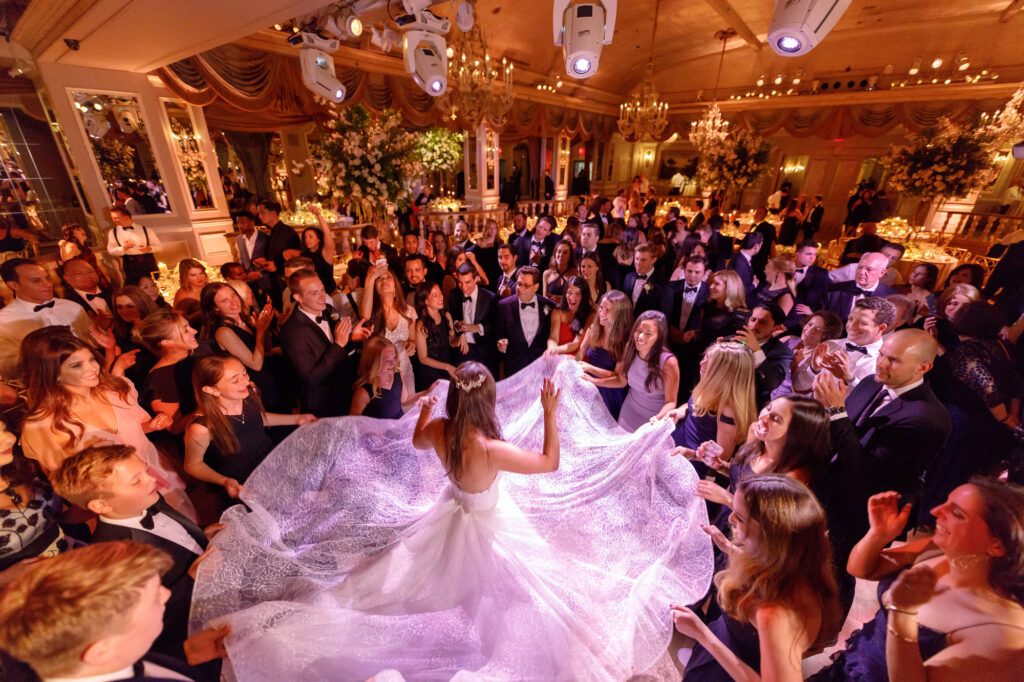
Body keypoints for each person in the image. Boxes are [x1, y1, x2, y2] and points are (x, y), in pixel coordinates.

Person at [812, 480, 1024, 681]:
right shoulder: (935, 549)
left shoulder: (1002, 631)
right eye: (946, 502)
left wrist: (903, 613)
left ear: (997, 546)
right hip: (849, 668)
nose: (935, 511)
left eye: (957, 513)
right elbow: (860, 569)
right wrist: (877, 536)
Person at [50, 445, 221, 676]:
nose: (152, 480)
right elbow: (144, 620)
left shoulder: (150, 499)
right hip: (196, 626)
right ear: (101, 505)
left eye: (146, 471)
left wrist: (199, 535)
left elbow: (170, 534)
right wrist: (192, 579)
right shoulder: (112, 557)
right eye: (136, 481)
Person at [674, 475, 843, 681]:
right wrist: (727, 548)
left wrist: (702, 634)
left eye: (740, 518)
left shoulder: (772, 612)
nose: (730, 520)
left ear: (771, 537)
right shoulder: (803, 566)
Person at [17, 328, 195, 520]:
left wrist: (153, 425)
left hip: (157, 476)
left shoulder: (117, 389)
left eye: (92, 359)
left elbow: (137, 427)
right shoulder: (42, 424)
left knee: (189, 526)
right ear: (53, 373)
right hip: (117, 503)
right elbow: (62, 480)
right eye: (77, 365)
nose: (93, 368)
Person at [812, 328, 952, 567]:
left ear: (923, 367)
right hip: (828, 496)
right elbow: (843, 434)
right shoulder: (870, 382)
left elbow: (865, 472)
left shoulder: (927, 418)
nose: (882, 364)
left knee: (834, 576)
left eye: (894, 360)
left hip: (859, 512)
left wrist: (836, 411)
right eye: (882, 355)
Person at [0, 540, 226, 682]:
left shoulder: (85, 654)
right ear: (102, 651)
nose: (167, 594)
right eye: (154, 598)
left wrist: (185, 654)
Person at [187, 356, 314, 505]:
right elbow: (192, 465)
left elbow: (255, 418)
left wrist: (297, 419)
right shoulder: (201, 427)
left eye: (244, 373)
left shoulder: (247, 393)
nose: (245, 382)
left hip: (269, 459)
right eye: (235, 380)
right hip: (244, 479)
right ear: (211, 390)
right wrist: (225, 481)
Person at [279, 268, 370, 417]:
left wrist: (352, 339)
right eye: (315, 293)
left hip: (344, 390)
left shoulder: (328, 310)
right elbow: (310, 379)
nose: (323, 297)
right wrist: (338, 345)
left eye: (322, 290)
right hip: (323, 405)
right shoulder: (292, 332)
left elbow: (339, 350)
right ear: (298, 297)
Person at [0, 422, 78, 572]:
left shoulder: (24, 466)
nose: (10, 439)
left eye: (4, 429)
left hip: (75, 560)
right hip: (32, 589)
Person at [666, 340, 756, 465]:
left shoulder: (728, 409)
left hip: (688, 462)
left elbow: (721, 457)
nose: (701, 363)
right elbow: (692, 406)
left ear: (725, 372)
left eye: (710, 363)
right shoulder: (710, 383)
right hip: (675, 442)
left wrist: (689, 454)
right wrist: (680, 411)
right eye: (705, 358)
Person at [584, 311, 678, 432]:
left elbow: (671, 402)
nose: (640, 337)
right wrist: (593, 380)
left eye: (648, 334)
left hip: (654, 418)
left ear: (659, 337)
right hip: (629, 411)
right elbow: (621, 380)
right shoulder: (630, 348)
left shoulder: (669, 362)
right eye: (638, 331)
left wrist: (657, 419)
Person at [0, 258, 92, 380]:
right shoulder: (4, 322)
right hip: (45, 388)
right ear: (14, 285)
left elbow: (91, 344)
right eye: (36, 280)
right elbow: (7, 371)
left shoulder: (72, 307)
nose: (48, 284)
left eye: (47, 278)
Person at [792, 297, 896, 394]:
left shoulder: (886, 361)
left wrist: (849, 378)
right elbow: (798, 387)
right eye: (850, 319)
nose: (851, 326)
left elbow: (873, 401)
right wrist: (814, 369)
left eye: (862, 323)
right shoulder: (829, 345)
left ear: (881, 327)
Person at [198, 283, 278, 409]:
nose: (234, 302)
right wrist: (260, 331)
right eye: (225, 301)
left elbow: (265, 352)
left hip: (270, 380)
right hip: (254, 388)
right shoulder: (224, 331)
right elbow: (255, 364)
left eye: (233, 295)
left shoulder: (245, 320)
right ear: (215, 308)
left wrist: (265, 329)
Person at [136, 310, 200, 436]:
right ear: (167, 343)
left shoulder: (196, 355)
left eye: (190, 327)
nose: (195, 331)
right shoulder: (160, 379)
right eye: (185, 330)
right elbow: (174, 427)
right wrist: (209, 408)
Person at [360, 263, 418, 392]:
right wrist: (369, 279)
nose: (384, 280)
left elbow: (413, 339)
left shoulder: (409, 312)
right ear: (375, 287)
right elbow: (364, 315)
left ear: (395, 284)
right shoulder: (370, 313)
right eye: (379, 278)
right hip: (380, 372)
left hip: (404, 368)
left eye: (388, 277)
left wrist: (411, 345)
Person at [577, 290, 632, 421]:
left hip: (609, 393)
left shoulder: (625, 342)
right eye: (601, 307)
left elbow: (619, 378)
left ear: (620, 314)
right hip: (589, 388)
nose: (601, 313)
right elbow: (579, 356)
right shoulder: (593, 329)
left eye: (608, 310)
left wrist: (590, 370)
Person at [350, 337, 435, 419]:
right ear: (373, 362)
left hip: (399, 427)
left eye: (394, 357)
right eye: (387, 361)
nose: (393, 363)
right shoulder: (363, 393)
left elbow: (405, 400)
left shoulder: (397, 375)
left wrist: (428, 391)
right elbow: (354, 425)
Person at [774, 310, 845, 399]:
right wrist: (769, 339)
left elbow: (804, 393)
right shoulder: (790, 339)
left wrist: (794, 368)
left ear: (825, 335)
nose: (810, 329)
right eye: (810, 324)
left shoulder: (818, 360)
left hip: (786, 403)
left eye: (817, 329)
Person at [496, 266, 553, 376]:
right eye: (519, 284)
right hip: (514, 370)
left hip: (541, 368)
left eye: (526, 286)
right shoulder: (503, 306)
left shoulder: (549, 306)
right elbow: (498, 334)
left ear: (536, 287)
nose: (521, 288)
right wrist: (500, 342)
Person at [737, 303, 795, 408]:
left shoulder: (783, 352)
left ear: (775, 327)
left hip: (748, 407)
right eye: (753, 320)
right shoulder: (735, 339)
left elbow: (771, 383)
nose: (755, 325)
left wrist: (756, 350)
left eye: (763, 322)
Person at [447, 262, 498, 373]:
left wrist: (478, 327)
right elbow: (451, 316)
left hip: (483, 351)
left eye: (467, 282)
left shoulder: (490, 298)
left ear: (476, 279)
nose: (463, 287)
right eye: (460, 283)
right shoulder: (453, 295)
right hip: (461, 350)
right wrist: (456, 324)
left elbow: (495, 325)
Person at [827, 252, 898, 321]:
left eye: (869, 269)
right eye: (860, 267)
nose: (861, 272)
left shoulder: (892, 297)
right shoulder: (835, 290)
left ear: (882, 273)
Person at [415, 281, 458, 387]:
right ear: (425, 301)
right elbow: (423, 358)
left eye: (440, 293)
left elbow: (452, 342)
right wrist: (446, 367)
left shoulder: (447, 316)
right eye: (435, 295)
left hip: (447, 370)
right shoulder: (421, 325)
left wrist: (461, 338)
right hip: (430, 374)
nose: (440, 297)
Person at [106, 207, 161, 283]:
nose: (113, 220)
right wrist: (122, 248)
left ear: (127, 217)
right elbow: (110, 251)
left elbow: (159, 247)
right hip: (129, 264)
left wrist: (149, 249)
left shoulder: (146, 229)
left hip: (148, 261)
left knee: (156, 283)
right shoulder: (113, 232)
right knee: (135, 286)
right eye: (112, 218)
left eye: (116, 218)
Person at [545, 276, 593, 357]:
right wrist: (551, 348)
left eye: (577, 293)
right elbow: (553, 337)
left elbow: (576, 343)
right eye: (569, 293)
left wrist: (556, 350)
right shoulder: (557, 311)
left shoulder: (591, 314)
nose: (572, 298)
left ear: (584, 295)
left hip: (577, 359)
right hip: (558, 355)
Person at [233, 209, 272, 302]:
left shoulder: (265, 238)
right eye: (238, 223)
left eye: (243, 223)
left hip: (266, 281)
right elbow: (242, 259)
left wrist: (259, 274)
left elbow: (271, 261)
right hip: (249, 282)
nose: (239, 226)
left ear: (252, 222)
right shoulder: (239, 239)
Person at [624, 244, 673, 318]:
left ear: (654, 260)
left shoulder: (663, 284)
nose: (638, 263)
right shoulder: (628, 277)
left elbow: (663, 316)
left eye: (643, 260)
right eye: (637, 259)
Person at [58, 222, 111, 289]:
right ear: (72, 234)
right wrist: (62, 246)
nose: (83, 230)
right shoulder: (71, 246)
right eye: (78, 229)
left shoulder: (85, 247)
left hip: (97, 276)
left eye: (81, 228)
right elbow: (67, 264)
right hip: (87, 278)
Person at [300, 205, 338, 295]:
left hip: (328, 294)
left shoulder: (325, 253)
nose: (307, 240)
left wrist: (318, 215)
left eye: (310, 237)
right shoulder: (304, 256)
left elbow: (327, 234)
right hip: (311, 294)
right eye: (305, 237)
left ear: (318, 239)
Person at [728, 232, 762, 303]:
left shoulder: (739, 255)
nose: (761, 248)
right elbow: (735, 291)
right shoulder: (741, 264)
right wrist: (754, 285)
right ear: (756, 246)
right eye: (760, 245)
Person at [542, 239, 578, 306]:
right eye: (559, 252)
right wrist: (552, 300)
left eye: (565, 253)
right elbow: (544, 297)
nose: (561, 255)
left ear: (570, 256)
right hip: (551, 308)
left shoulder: (576, 274)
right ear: (555, 253)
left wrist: (562, 299)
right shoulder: (547, 273)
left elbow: (577, 297)